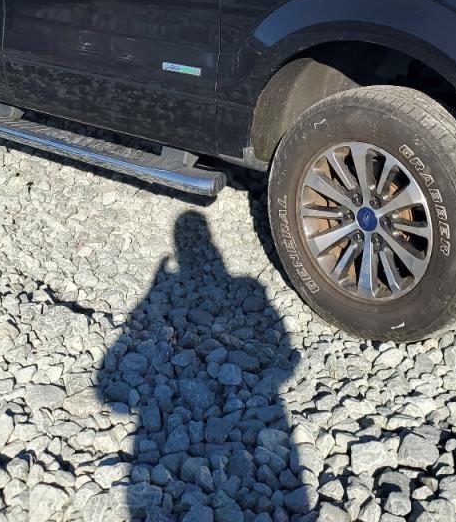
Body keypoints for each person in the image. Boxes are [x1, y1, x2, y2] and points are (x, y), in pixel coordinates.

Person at [96, 211, 304, 520]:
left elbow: (106, 393)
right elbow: (289, 361)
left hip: (153, 445)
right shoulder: (250, 287)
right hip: (273, 421)